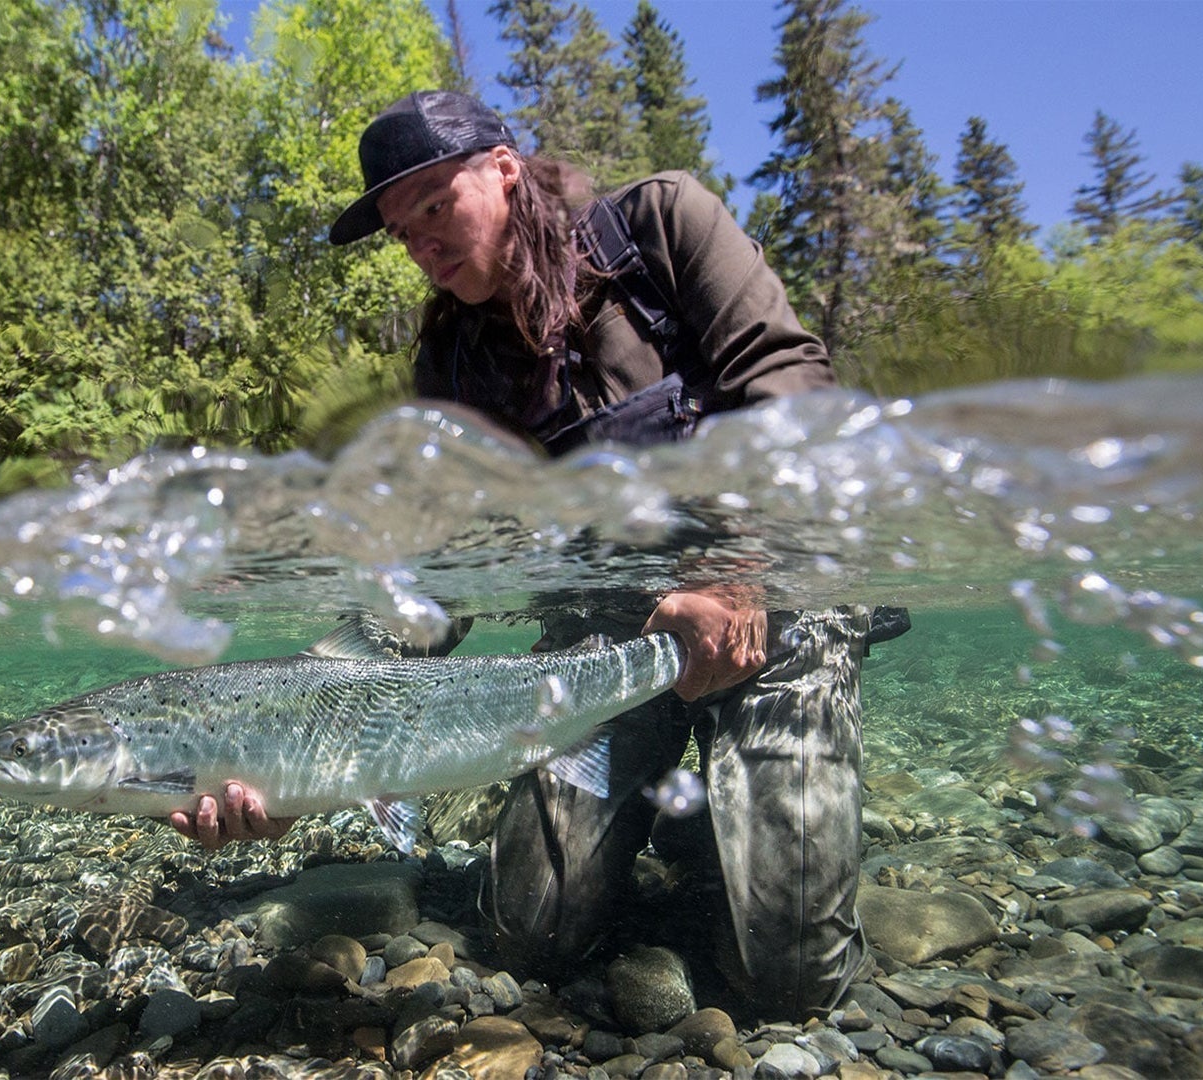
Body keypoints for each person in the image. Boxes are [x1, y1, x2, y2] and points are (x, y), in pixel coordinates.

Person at [174, 89, 902, 1020]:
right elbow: (441, 573)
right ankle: (685, 799)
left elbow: (793, 389)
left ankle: (719, 807)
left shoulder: (664, 224)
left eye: (435, 207)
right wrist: (294, 756)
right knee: (529, 932)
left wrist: (738, 567)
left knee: (794, 985)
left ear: (506, 170)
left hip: (776, 604)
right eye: (403, 232)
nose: (423, 246)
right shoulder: (451, 366)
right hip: (602, 649)